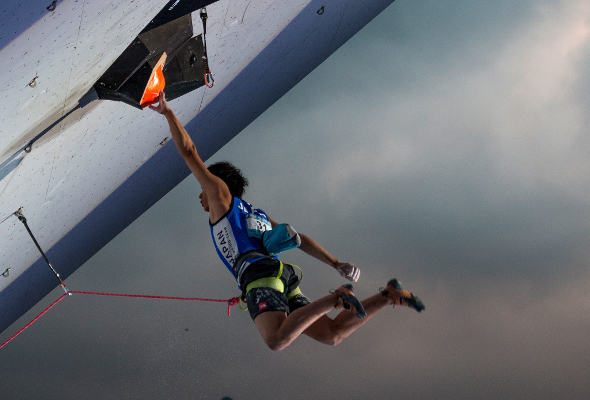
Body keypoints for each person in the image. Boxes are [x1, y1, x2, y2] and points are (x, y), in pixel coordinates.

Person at [148, 92, 423, 351]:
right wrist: (335, 263)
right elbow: (299, 239)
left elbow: (189, 151)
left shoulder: (221, 198)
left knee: (277, 340)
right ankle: (389, 296)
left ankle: (336, 298)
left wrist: (168, 112)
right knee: (332, 335)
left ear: (217, 184)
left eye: (203, 190)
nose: (201, 198)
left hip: (261, 277)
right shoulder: (258, 215)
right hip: (280, 275)